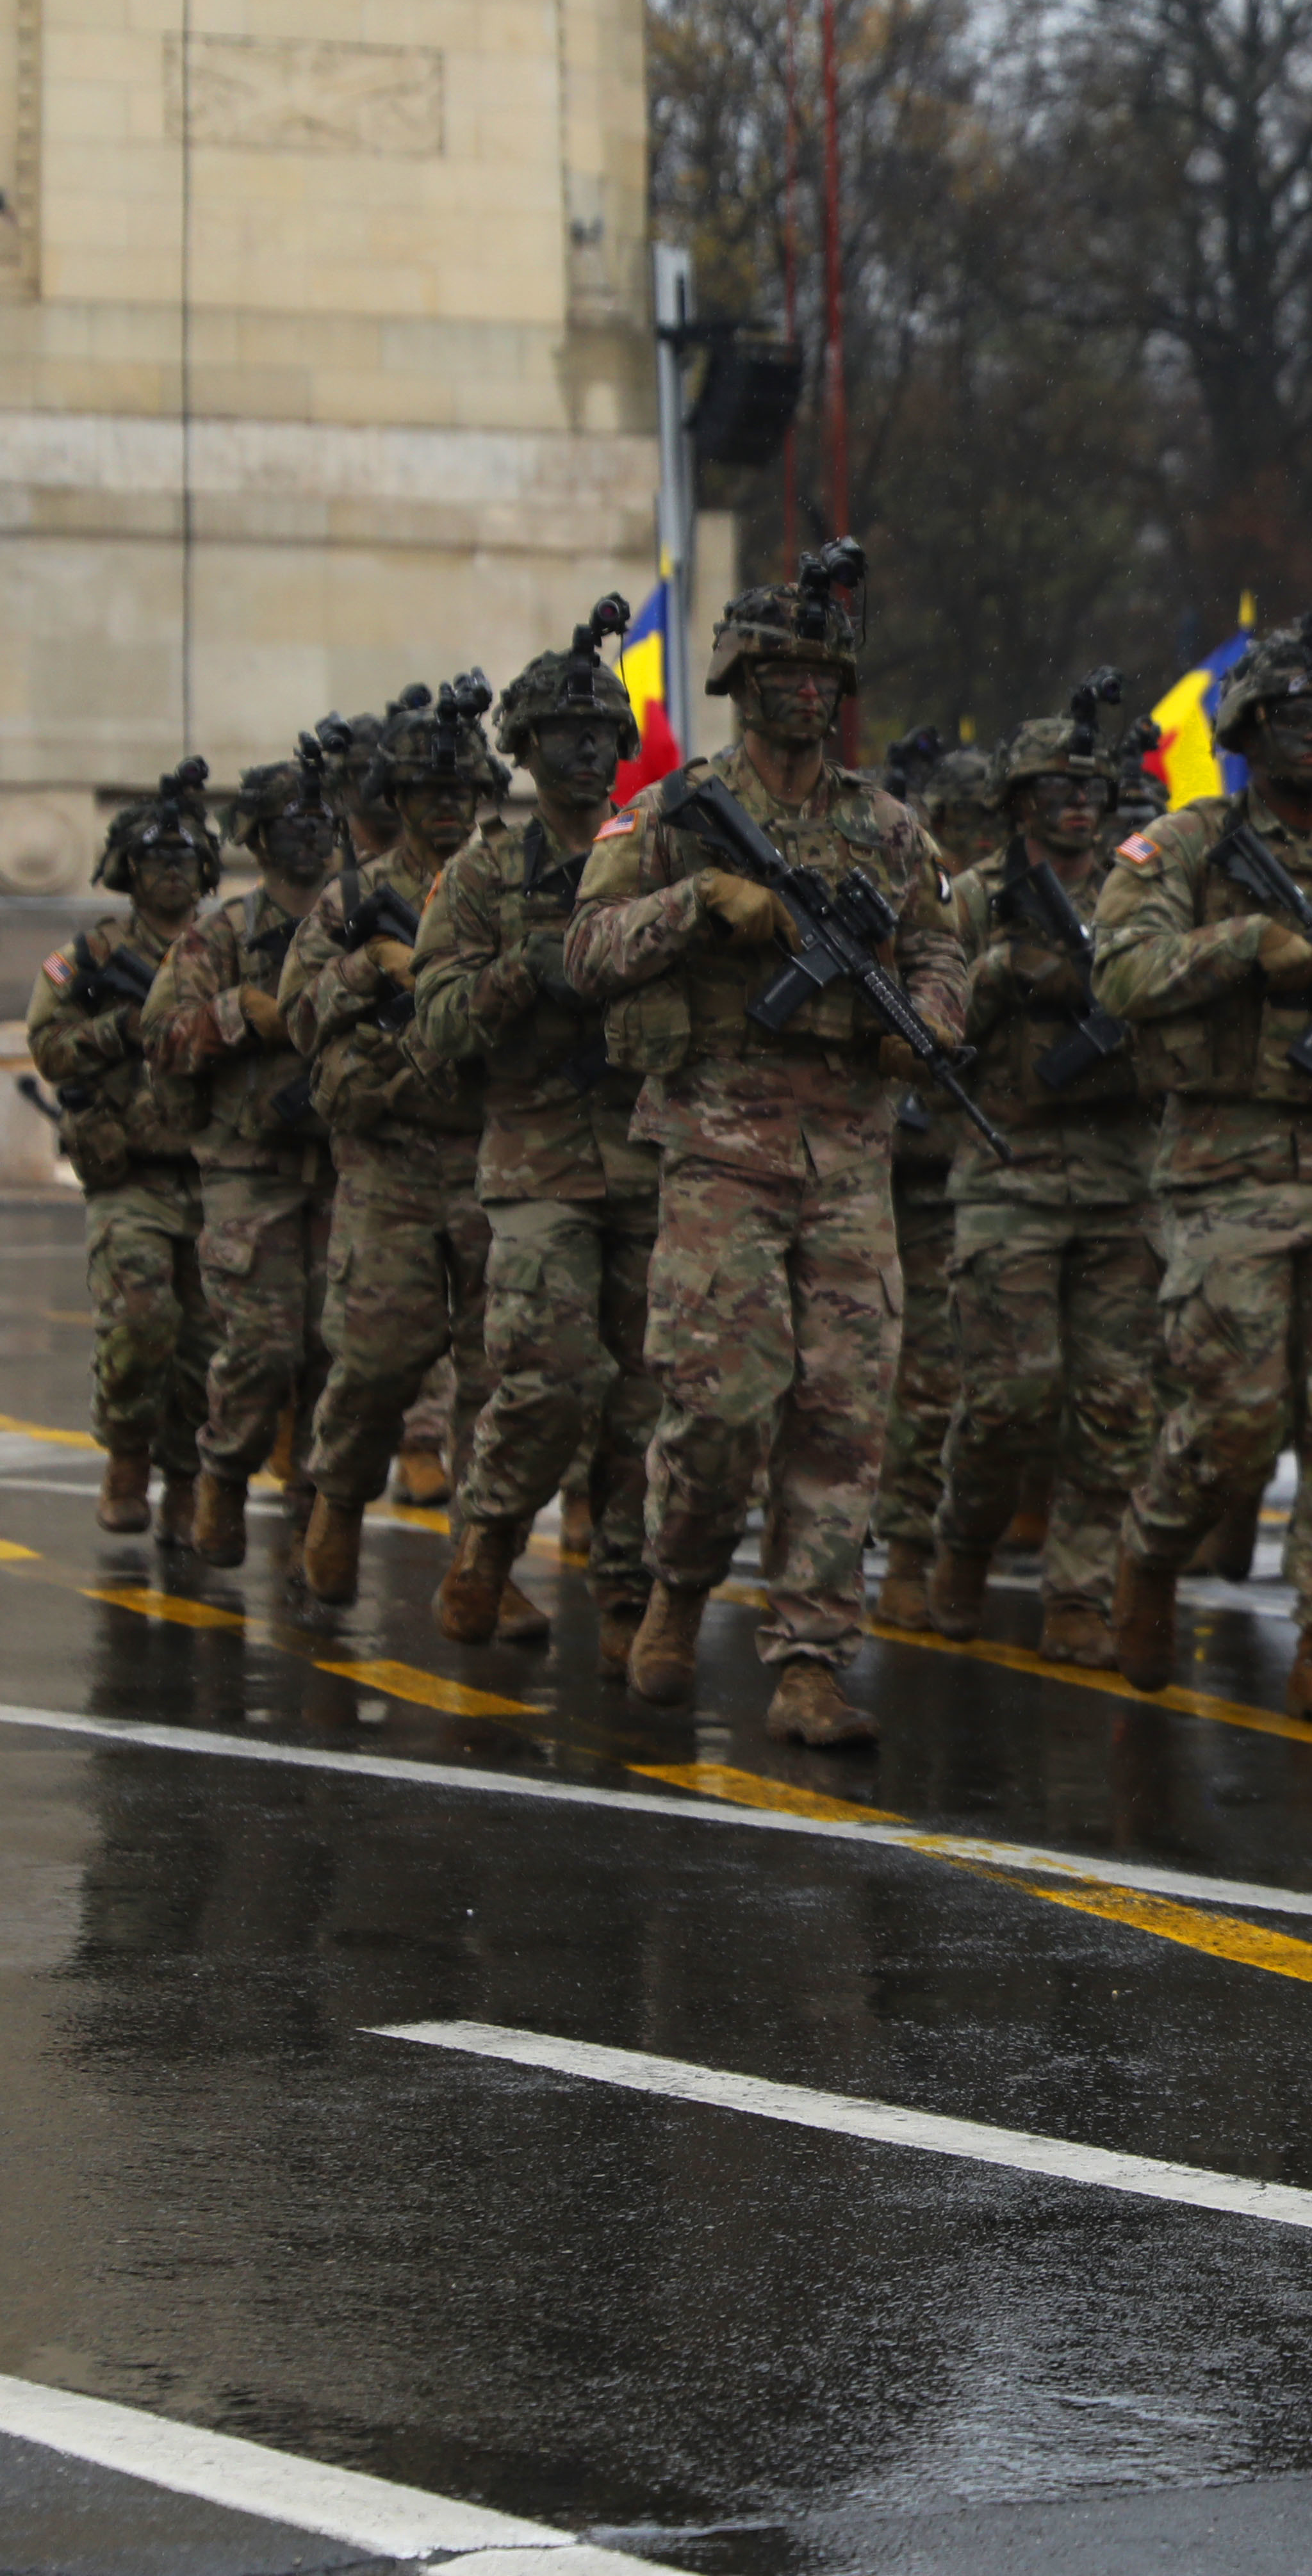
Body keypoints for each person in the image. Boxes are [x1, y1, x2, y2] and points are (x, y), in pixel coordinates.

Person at [567, 546, 972, 1749]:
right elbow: (585, 953)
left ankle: (808, 1657)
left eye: (823, 671)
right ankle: (677, 1590)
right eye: (782, 669)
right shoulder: (672, 814)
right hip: (720, 1153)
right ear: (742, 676)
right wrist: (704, 906)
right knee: (723, 1404)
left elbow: (943, 952)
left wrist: (932, 1026)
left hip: (850, 1162)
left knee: (845, 1417)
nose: (806, 690)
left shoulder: (890, 831)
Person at [1093, 594, 1312, 1714]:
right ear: (1245, 731)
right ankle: (1151, 1548)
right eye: (1291, 715)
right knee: (1234, 1421)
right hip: (1226, 1166)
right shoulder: (1189, 847)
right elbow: (1121, 974)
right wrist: (1251, 946)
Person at [417, 632, 665, 1658]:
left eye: (601, 732)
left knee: (648, 1397)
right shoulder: (481, 873)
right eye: (562, 734)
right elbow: (429, 1029)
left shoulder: (657, 855)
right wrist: (510, 981)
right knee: (551, 1377)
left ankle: (624, 1596)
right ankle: (485, 1547)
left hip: (647, 1156)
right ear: (522, 747)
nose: (584, 752)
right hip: (535, 1163)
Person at [923, 696, 1158, 1656]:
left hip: (1118, 1178)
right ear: (1020, 801)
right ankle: (963, 1543)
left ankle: (1078, 1591)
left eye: (1092, 789)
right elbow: (923, 1026)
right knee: (1010, 1397)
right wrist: (996, 979)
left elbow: (1178, 1007)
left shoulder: (1138, 894)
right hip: (1006, 1175)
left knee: (1114, 1404)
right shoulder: (974, 896)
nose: (1078, 804)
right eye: (1057, 789)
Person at [283, 689, 504, 1608]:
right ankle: (337, 1497)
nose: (447, 805)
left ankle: (481, 1559)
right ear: (396, 798)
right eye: (426, 790)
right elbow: (295, 1017)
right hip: (389, 1159)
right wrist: (363, 969)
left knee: (496, 1374)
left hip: (497, 1154)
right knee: (377, 1360)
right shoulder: (352, 899)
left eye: (461, 790)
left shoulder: (508, 885)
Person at [149, 754, 343, 1567]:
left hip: (344, 1166)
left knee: (339, 1354)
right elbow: (160, 1038)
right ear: (259, 839)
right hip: (249, 1170)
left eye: (322, 819)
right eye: (292, 822)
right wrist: (237, 1015)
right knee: (263, 1349)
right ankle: (221, 1473)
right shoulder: (221, 933)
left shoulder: (360, 921)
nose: (311, 835)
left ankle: (313, 1511)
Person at [20, 771, 213, 1515]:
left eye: (185, 860)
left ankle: (188, 1481)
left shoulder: (225, 945)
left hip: (214, 1167)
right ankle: (128, 1456)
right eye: (156, 860)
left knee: (206, 1350)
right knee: (138, 1324)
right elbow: (46, 1045)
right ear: (127, 872)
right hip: (128, 1173)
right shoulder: (91, 958)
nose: (172, 873)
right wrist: (117, 1029)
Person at [871, 733, 1008, 1622]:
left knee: (958, 1379)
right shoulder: (898, 896)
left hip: (957, 1179)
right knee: (892, 1378)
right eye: (969, 822)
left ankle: (927, 1551)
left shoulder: (989, 906)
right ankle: (883, 1554)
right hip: (875, 1171)